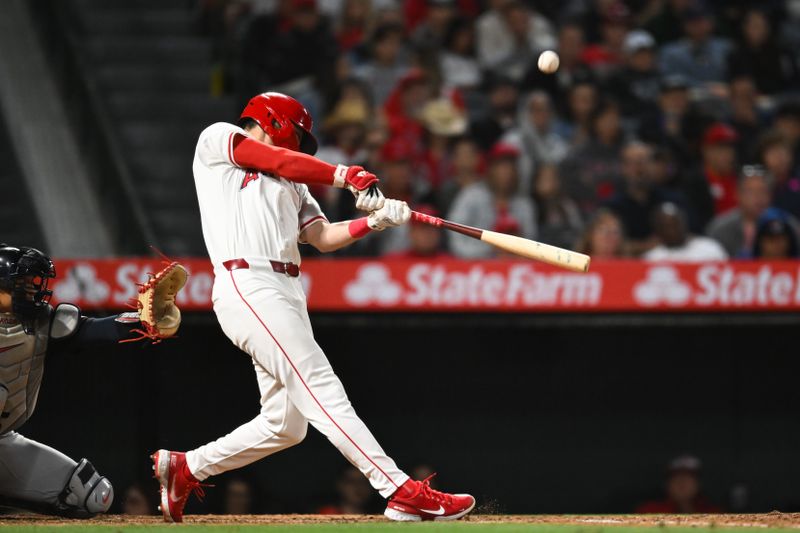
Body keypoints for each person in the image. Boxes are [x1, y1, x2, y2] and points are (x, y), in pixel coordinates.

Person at [152, 92, 474, 523]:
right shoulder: (218, 139)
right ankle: (399, 489)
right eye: (299, 135)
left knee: (285, 424)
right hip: (247, 281)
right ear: (275, 121)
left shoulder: (295, 180)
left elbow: (321, 237)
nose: (300, 146)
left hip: (286, 289)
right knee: (322, 387)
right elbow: (280, 161)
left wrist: (375, 222)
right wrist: (347, 175)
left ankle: (186, 468)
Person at [0, 245, 185, 518]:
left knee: (93, 495)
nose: (31, 288)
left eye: (33, 282)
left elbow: (95, 330)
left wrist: (143, 321)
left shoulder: (42, 322)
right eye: (21, 282)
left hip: (4, 440)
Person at [447, 143, 537, 258]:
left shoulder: (524, 204)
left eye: (510, 167)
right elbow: (455, 236)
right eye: (501, 167)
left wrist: (515, 250)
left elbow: (532, 244)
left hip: (515, 268)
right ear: (491, 169)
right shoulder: (471, 196)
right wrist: (490, 250)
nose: (506, 173)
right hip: (475, 268)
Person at [604, 141, 684, 256]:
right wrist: (645, 246)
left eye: (644, 161)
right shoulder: (612, 207)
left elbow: (693, 235)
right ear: (623, 168)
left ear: (653, 165)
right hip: (628, 266)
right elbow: (605, 243)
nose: (639, 169)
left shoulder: (673, 200)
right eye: (633, 163)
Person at [658, 2, 732, 88]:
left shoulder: (726, 47)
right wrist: (706, 88)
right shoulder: (671, 53)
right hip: (687, 98)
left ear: (711, 22)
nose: (698, 26)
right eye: (693, 22)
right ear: (684, 25)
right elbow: (669, 79)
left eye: (702, 21)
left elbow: (738, 77)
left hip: (726, 97)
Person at [706, 165, 775, 257]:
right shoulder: (719, 228)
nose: (758, 197)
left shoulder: (786, 226)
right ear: (738, 194)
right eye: (751, 192)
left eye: (763, 191)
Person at [636, 455, 721, 514]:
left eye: (688, 478)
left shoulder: (715, 514)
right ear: (666, 484)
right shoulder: (649, 511)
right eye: (676, 478)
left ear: (699, 484)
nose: (682, 482)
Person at [644, 203, 728, 261]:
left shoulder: (709, 248)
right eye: (666, 226)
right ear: (657, 230)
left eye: (675, 225)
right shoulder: (652, 258)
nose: (672, 231)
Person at [385, 205, 450, 259]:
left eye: (432, 228)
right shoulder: (394, 262)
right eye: (422, 229)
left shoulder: (451, 263)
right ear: (412, 233)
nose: (427, 234)